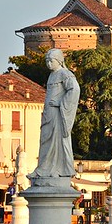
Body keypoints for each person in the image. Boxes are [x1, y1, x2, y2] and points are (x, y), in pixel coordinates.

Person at [29, 49, 81, 180]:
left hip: (59, 114)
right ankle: (43, 169)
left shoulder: (65, 74)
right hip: (49, 113)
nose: (48, 64)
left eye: (51, 61)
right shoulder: (51, 75)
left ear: (59, 61)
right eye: (46, 61)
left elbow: (75, 90)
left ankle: (57, 168)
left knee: (56, 140)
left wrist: (60, 102)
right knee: (45, 140)